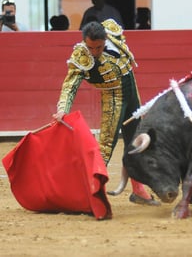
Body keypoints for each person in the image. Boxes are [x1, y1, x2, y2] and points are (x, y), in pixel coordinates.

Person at [53, 19, 159, 206]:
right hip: (113, 96)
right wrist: (62, 109)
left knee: (135, 139)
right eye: (91, 47)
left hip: (131, 90)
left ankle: (138, 190)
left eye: (98, 47)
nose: (94, 52)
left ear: (105, 39)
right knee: (106, 145)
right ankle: (92, 191)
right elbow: (70, 84)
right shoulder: (81, 54)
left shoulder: (112, 30)